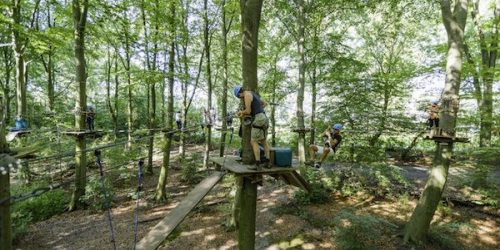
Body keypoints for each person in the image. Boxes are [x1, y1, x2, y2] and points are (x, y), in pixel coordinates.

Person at [234, 85, 270, 170]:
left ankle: (257, 165)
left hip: (259, 118)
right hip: (264, 117)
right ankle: (268, 162)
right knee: (263, 140)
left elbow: (248, 111)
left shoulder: (246, 95)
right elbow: (265, 103)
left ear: (239, 94)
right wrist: (258, 110)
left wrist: (241, 113)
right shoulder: (253, 94)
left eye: (239, 97)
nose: (240, 98)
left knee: (253, 141)